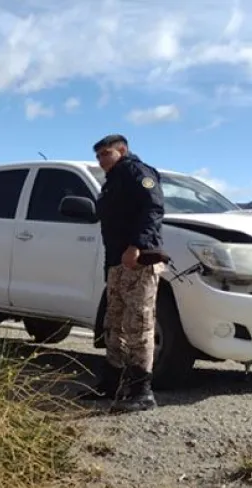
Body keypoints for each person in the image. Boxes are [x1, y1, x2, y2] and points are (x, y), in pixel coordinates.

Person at [85, 133, 167, 413]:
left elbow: (153, 207)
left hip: (138, 261)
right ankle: (113, 382)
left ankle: (142, 391)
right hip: (116, 261)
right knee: (115, 322)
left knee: (138, 322)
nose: (101, 160)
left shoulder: (138, 173)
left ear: (122, 150)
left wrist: (137, 245)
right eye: (98, 156)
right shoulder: (112, 182)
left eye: (105, 153)